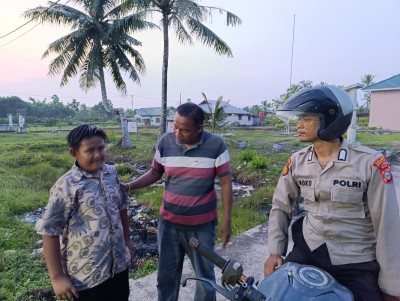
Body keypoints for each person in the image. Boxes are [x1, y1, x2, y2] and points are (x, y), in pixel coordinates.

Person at [263, 85, 400, 301]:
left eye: (307, 118)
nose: (299, 124)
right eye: (299, 118)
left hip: (355, 260)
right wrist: (274, 251)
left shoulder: (370, 164)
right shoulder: (297, 162)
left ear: (331, 119)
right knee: (271, 293)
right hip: (309, 250)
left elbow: (388, 225)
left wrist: (392, 287)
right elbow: (281, 206)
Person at [123, 102, 233, 301]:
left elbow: (225, 182)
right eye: (174, 126)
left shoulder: (216, 144)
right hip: (169, 225)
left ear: (199, 128)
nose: (177, 133)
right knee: (166, 278)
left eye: (184, 130)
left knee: (205, 280)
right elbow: (156, 172)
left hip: (201, 227)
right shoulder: (165, 142)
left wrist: (227, 220)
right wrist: (129, 186)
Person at [36, 124, 135, 301]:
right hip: (86, 275)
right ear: (74, 153)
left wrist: (127, 240)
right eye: (90, 150)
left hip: (119, 265)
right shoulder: (66, 186)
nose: (98, 154)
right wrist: (57, 277)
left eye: (101, 148)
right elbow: (50, 231)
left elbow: (122, 207)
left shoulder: (111, 173)